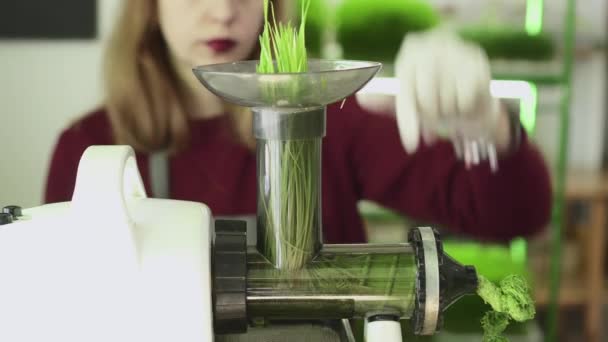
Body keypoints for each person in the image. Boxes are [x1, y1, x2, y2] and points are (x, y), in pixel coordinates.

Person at [44, 0, 552, 243]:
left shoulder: (332, 121)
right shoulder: (89, 151)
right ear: (148, 8)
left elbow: (514, 216)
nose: (223, 12)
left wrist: (488, 127)